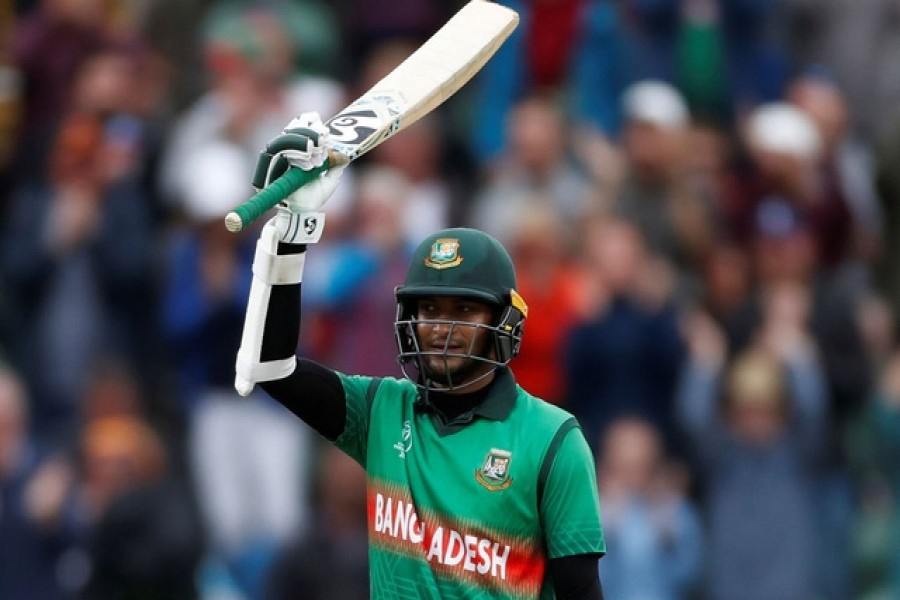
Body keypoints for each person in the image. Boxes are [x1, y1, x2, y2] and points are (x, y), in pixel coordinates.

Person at [231, 113, 606, 599]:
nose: (441, 327)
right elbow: (270, 366)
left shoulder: (553, 439)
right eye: (429, 308)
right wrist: (293, 232)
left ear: (504, 323)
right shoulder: (382, 410)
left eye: (464, 310)